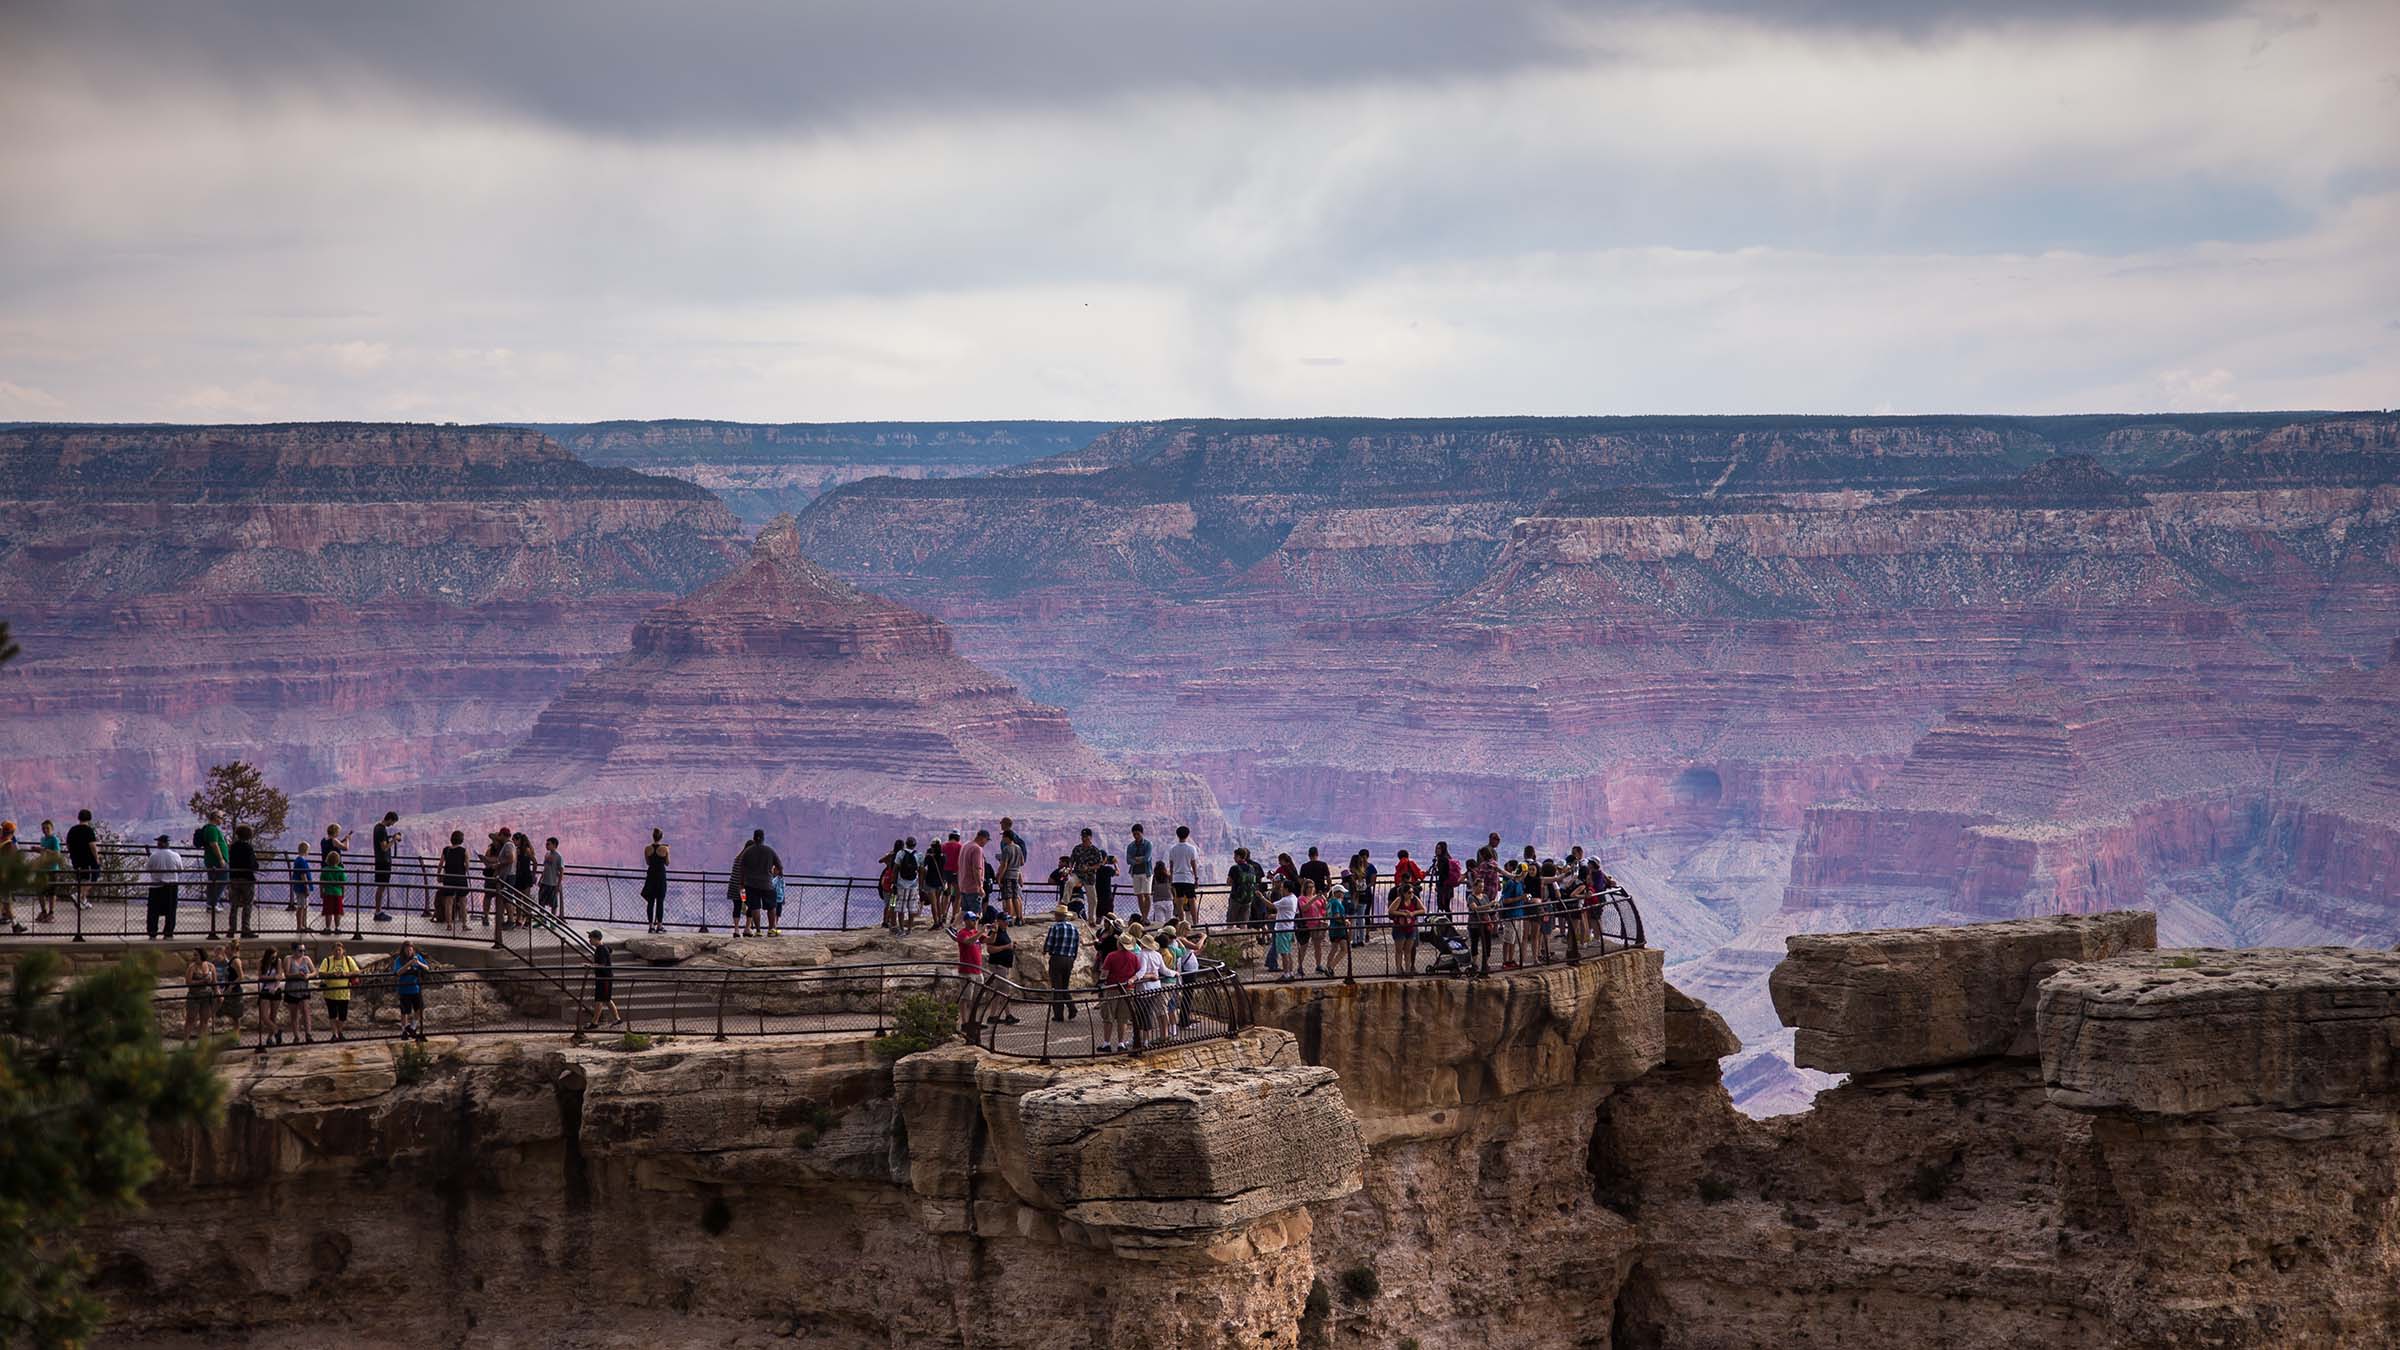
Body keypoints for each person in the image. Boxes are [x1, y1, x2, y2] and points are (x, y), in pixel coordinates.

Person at [1097, 935, 1142, 1053]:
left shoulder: (1111, 956)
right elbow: (1137, 971)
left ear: (1119, 944)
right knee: (1123, 1018)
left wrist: (1101, 982)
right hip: (1128, 988)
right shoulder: (1134, 957)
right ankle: (1121, 1043)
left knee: (1109, 1016)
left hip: (1112, 988)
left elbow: (1104, 973)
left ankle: (1106, 1043)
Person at [736, 830, 781, 935]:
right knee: (771, 906)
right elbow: (779, 866)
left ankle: (758, 931)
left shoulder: (747, 852)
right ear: (763, 838)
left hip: (751, 884)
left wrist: (742, 883)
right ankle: (771, 930)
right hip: (766, 883)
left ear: (754, 838)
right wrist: (774, 874)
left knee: (755, 906)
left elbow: (742, 869)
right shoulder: (769, 851)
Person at [1041, 906, 1081, 1023]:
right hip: (1069, 959)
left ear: (1058, 915)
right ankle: (1071, 1007)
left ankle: (1058, 1014)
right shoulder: (1074, 929)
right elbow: (1076, 946)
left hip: (1057, 958)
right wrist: (1072, 958)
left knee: (1056, 987)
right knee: (1064, 986)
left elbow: (1048, 944)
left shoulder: (1055, 927)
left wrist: (1045, 951)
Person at [318, 942, 361, 1042]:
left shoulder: (348, 960)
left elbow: (357, 971)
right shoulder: (327, 960)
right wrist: (332, 974)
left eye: (339, 950)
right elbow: (321, 973)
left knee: (342, 1016)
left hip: (344, 993)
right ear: (332, 951)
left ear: (343, 951)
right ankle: (335, 1034)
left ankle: (339, 1031)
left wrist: (346, 973)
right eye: (335, 950)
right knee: (332, 1014)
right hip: (330, 993)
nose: (337, 952)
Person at [194, 813, 228, 937]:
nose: (222, 820)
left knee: (215, 882)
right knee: (222, 880)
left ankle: (212, 903)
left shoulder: (211, 829)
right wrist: (221, 859)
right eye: (221, 817)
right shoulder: (212, 829)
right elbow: (214, 844)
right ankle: (213, 903)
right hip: (216, 861)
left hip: (213, 861)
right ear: (215, 818)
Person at [390, 941, 431, 1041]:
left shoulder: (417, 957)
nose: (409, 951)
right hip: (404, 989)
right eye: (407, 950)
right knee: (405, 1012)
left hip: (415, 989)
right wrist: (408, 964)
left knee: (419, 1008)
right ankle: (404, 1030)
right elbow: (398, 972)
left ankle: (413, 1026)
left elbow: (427, 968)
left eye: (411, 949)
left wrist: (419, 963)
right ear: (403, 950)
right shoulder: (399, 960)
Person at [145, 833, 183, 940]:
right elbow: (180, 869)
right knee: (171, 911)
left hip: (156, 886)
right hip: (171, 886)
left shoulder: (154, 856)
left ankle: (152, 932)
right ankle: (168, 932)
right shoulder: (175, 855)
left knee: (153, 911)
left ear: (160, 843)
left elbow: (148, 869)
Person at [984, 912, 1019, 1026]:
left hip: (1004, 965)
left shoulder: (1004, 932)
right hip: (997, 965)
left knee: (999, 992)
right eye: (1004, 921)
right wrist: (1006, 947)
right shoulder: (994, 933)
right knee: (1004, 990)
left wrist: (1011, 947)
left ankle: (993, 1016)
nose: (1006, 923)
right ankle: (1008, 1015)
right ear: (998, 921)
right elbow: (990, 949)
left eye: (1007, 921)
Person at [952, 917, 984, 1033]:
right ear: (965, 921)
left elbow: (989, 940)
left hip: (977, 970)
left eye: (975, 920)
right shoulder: (962, 933)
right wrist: (981, 932)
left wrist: (994, 931)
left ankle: (973, 1020)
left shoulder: (975, 932)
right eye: (972, 920)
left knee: (977, 997)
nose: (974, 922)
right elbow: (968, 942)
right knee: (966, 997)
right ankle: (964, 1022)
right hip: (967, 970)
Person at [228, 824, 260, 938]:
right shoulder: (248, 848)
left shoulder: (233, 846)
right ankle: (245, 929)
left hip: (234, 878)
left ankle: (231, 929)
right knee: (248, 904)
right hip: (247, 879)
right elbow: (253, 864)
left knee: (234, 905)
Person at [1165, 825, 1202, 925]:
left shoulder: (1173, 849)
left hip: (1177, 879)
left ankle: (1182, 923)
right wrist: (1196, 878)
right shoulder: (1192, 848)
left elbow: (1171, 866)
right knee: (1192, 901)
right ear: (1188, 835)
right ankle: (1195, 923)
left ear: (1177, 835)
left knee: (1179, 903)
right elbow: (1193, 864)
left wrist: (1172, 879)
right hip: (1188, 878)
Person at [65, 809, 99, 912]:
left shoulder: (72, 830)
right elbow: (92, 845)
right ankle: (78, 895)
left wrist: (73, 854)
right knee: (92, 877)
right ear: (89, 818)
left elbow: (68, 844)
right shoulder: (88, 830)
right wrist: (97, 858)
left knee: (82, 879)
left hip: (76, 859)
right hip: (88, 859)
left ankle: (83, 900)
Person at [584, 932, 621, 1029]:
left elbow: (603, 964)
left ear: (597, 939)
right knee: (606, 999)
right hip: (603, 977)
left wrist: (591, 965)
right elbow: (610, 950)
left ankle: (595, 1022)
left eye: (591, 938)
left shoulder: (601, 949)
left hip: (604, 977)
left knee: (600, 999)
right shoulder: (603, 947)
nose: (589, 941)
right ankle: (617, 1019)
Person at [439, 830, 471, 934]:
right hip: (460, 878)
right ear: (461, 840)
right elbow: (467, 866)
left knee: (449, 902)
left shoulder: (446, 850)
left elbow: (441, 863)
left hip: (449, 878)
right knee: (463, 902)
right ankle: (464, 924)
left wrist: (438, 874)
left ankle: (449, 925)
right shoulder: (464, 850)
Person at [181, 947, 216, 1042]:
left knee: (204, 1020)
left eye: (196, 954)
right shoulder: (192, 967)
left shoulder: (210, 966)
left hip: (207, 996)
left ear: (201, 955)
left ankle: (202, 1042)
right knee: (190, 1019)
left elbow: (214, 982)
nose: (194, 957)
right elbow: (188, 982)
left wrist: (217, 993)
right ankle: (186, 1042)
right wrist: (202, 981)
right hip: (194, 996)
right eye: (194, 955)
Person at [283, 944, 316, 1044]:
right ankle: (296, 1036)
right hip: (292, 990)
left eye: (304, 950)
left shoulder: (306, 959)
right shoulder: (289, 959)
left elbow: (314, 971)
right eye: (300, 950)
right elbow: (287, 974)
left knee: (306, 1012)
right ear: (294, 951)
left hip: (303, 989)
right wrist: (297, 975)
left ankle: (308, 1034)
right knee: (294, 1014)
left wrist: (308, 976)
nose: (302, 953)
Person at [371, 812, 400, 923]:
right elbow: (384, 847)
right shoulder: (381, 829)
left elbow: (381, 842)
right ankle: (378, 912)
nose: (392, 825)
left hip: (380, 861)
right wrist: (394, 840)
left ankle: (379, 911)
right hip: (383, 862)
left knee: (381, 887)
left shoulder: (377, 827)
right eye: (393, 822)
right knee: (381, 887)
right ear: (390, 819)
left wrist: (391, 838)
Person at [1226, 847, 1265, 930]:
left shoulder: (1234, 868)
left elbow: (1228, 882)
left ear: (1239, 856)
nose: (1234, 858)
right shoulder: (1251, 868)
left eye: (1235, 856)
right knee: (1244, 923)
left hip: (1236, 898)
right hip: (1248, 899)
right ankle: (1246, 940)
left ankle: (1228, 940)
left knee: (1230, 922)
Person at [1296, 878, 1329, 977]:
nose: (1311, 889)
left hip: (1317, 924)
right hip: (1306, 925)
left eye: (1312, 887)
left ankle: (1318, 965)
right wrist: (1313, 900)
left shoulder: (1318, 897)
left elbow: (1325, 909)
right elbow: (1303, 908)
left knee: (1318, 946)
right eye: (1309, 887)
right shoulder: (1301, 898)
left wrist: (1324, 900)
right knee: (1303, 947)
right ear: (1305, 888)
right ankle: (1300, 966)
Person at [995, 818, 1026, 923]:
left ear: (1007, 838)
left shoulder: (1006, 849)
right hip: (1016, 875)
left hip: (1008, 875)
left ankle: (1009, 919)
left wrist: (999, 877)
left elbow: (1004, 865)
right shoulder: (1018, 847)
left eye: (1003, 837)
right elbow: (1022, 862)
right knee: (1015, 896)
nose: (1002, 839)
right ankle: (1018, 918)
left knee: (1008, 897)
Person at [254, 945, 284, 1050]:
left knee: (273, 1016)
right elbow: (260, 977)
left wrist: (275, 986)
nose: (274, 959)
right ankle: (277, 1030)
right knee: (264, 1016)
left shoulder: (278, 961)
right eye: (272, 958)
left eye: (275, 957)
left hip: (275, 990)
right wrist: (273, 977)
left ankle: (270, 1038)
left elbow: (280, 976)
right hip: (265, 990)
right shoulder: (261, 962)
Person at [1390, 885, 1425, 974]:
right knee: (1399, 950)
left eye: (1412, 892)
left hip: (1410, 927)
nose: (1411, 894)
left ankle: (1408, 970)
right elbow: (1391, 911)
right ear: (1404, 893)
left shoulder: (1414, 899)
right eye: (1409, 892)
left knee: (1408, 950)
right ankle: (1398, 969)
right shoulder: (1399, 900)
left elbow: (1423, 910)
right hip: (1399, 928)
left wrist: (1413, 913)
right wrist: (1403, 913)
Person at [889, 838, 922, 931]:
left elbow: (894, 869)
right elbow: (921, 870)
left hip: (898, 885)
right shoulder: (918, 855)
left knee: (894, 905)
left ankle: (894, 924)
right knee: (911, 907)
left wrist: (893, 883)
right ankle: (909, 928)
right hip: (913, 885)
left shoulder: (895, 855)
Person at [1269, 877, 1299, 979]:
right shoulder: (1294, 898)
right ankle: (1290, 972)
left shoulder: (1285, 900)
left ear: (1286, 889)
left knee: (1284, 953)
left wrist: (1261, 897)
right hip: (1289, 927)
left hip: (1282, 929)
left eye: (1282, 888)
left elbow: (1271, 906)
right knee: (1288, 951)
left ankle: (1286, 973)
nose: (1281, 890)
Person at [641, 829, 670, 933]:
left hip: (651, 877)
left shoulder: (647, 849)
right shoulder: (665, 849)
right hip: (660, 877)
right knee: (660, 902)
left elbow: (648, 862)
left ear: (653, 836)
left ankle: (650, 926)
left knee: (650, 902)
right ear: (661, 837)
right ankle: (659, 926)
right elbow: (667, 863)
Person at [1123, 824, 1154, 923]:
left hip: (1146, 872)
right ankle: (1143, 916)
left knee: (1147, 894)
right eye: (1134, 834)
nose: (1136, 836)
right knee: (1139, 895)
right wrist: (1139, 859)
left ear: (1142, 833)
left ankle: (1145, 917)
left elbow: (1147, 858)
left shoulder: (1148, 844)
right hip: (1135, 872)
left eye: (1138, 834)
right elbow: (1128, 860)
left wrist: (1136, 859)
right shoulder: (1131, 846)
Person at [1068, 830, 1105, 911]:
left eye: (1086, 837)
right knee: (1070, 883)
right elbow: (1071, 860)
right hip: (1078, 874)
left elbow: (1099, 864)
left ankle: (1091, 920)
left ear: (1090, 837)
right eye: (1082, 836)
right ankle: (1064, 902)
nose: (1084, 838)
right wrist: (1070, 868)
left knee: (1093, 900)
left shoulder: (1095, 850)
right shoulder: (1077, 848)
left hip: (1089, 877)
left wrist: (1089, 868)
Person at [958, 829, 990, 921]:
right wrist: (979, 886)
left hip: (963, 884)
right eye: (986, 840)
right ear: (982, 838)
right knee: (976, 913)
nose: (986, 843)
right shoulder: (977, 849)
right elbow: (977, 869)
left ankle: (953, 927)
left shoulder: (966, 845)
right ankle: (974, 932)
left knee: (964, 910)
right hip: (973, 886)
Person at [215, 942, 245, 1033]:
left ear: (232, 950)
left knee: (235, 1016)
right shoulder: (230, 960)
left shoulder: (235, 961)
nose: (225, 950)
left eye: (227, 949)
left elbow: (241, 976)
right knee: (223, 1012)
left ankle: (236, 1037)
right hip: (228, 990)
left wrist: (231, 986)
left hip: (235, 991)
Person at [0, 821, 23, 934]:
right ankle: (15, 925)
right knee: (7, 902)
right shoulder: (9, 845)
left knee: (6, 903)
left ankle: (16, 925)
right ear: (12, 832)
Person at [318, 850, 347, 934]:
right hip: (338, 893)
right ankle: (337, 928)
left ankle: (327, 928)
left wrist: (321, 892)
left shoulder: (324, 870)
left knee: (328, 912)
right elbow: (343, 884)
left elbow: (321, 883)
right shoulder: (341, 870)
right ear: (338, 860)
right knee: (338, 912)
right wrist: (343, 894)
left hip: (328, 893)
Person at [288, 841, 314, 923]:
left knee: (303, 906)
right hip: (302, 887)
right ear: (306, 850)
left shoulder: (297, 860)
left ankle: (303, 924)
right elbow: (303, 875)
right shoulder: (302, 861)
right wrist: (306, 887)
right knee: (301, 906)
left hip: (298, 886)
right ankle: (300, 925)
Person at [539, 837, 564, 914]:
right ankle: (542, 919)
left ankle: (552, 921)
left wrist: (558, 884)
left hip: (553, 883)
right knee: (541, 901)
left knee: (553, 903)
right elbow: (545, 868)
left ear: (554, 845)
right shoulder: (547, 854)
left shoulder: (558, 856)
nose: (546, 846)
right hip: (544, 882)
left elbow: (561, 871)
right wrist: (541, 879)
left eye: (548, 844)